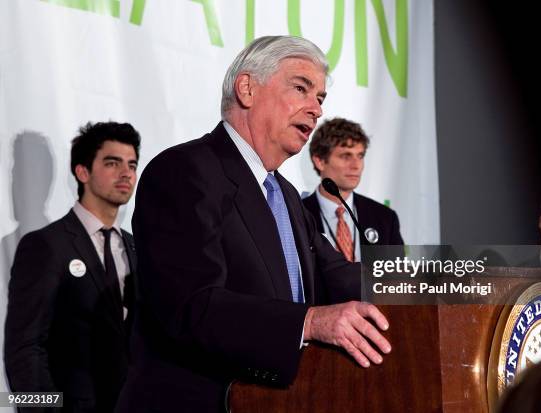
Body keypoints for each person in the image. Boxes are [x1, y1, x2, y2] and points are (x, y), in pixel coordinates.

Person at [115, 36, 391, 413]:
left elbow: (339, 275)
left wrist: (453, 276)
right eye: (301, 88)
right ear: (247, 88)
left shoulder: (287, 196)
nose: (316, 110)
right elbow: (192, 306)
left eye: (321, 98)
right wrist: (309, 322)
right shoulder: (183, 171)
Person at [4, 121, 140, 412]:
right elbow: (23, 349)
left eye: (132, 164)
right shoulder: (44, 246)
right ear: (82, 172)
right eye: (113, 163)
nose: (126, 172)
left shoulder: (136, 248)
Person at [302, 117, 404, 262]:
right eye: (346, 156)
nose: (356, 165)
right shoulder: (298, 215)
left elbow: (396, 281)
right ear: (320, 161)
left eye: (360, 156)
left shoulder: (385, 218)